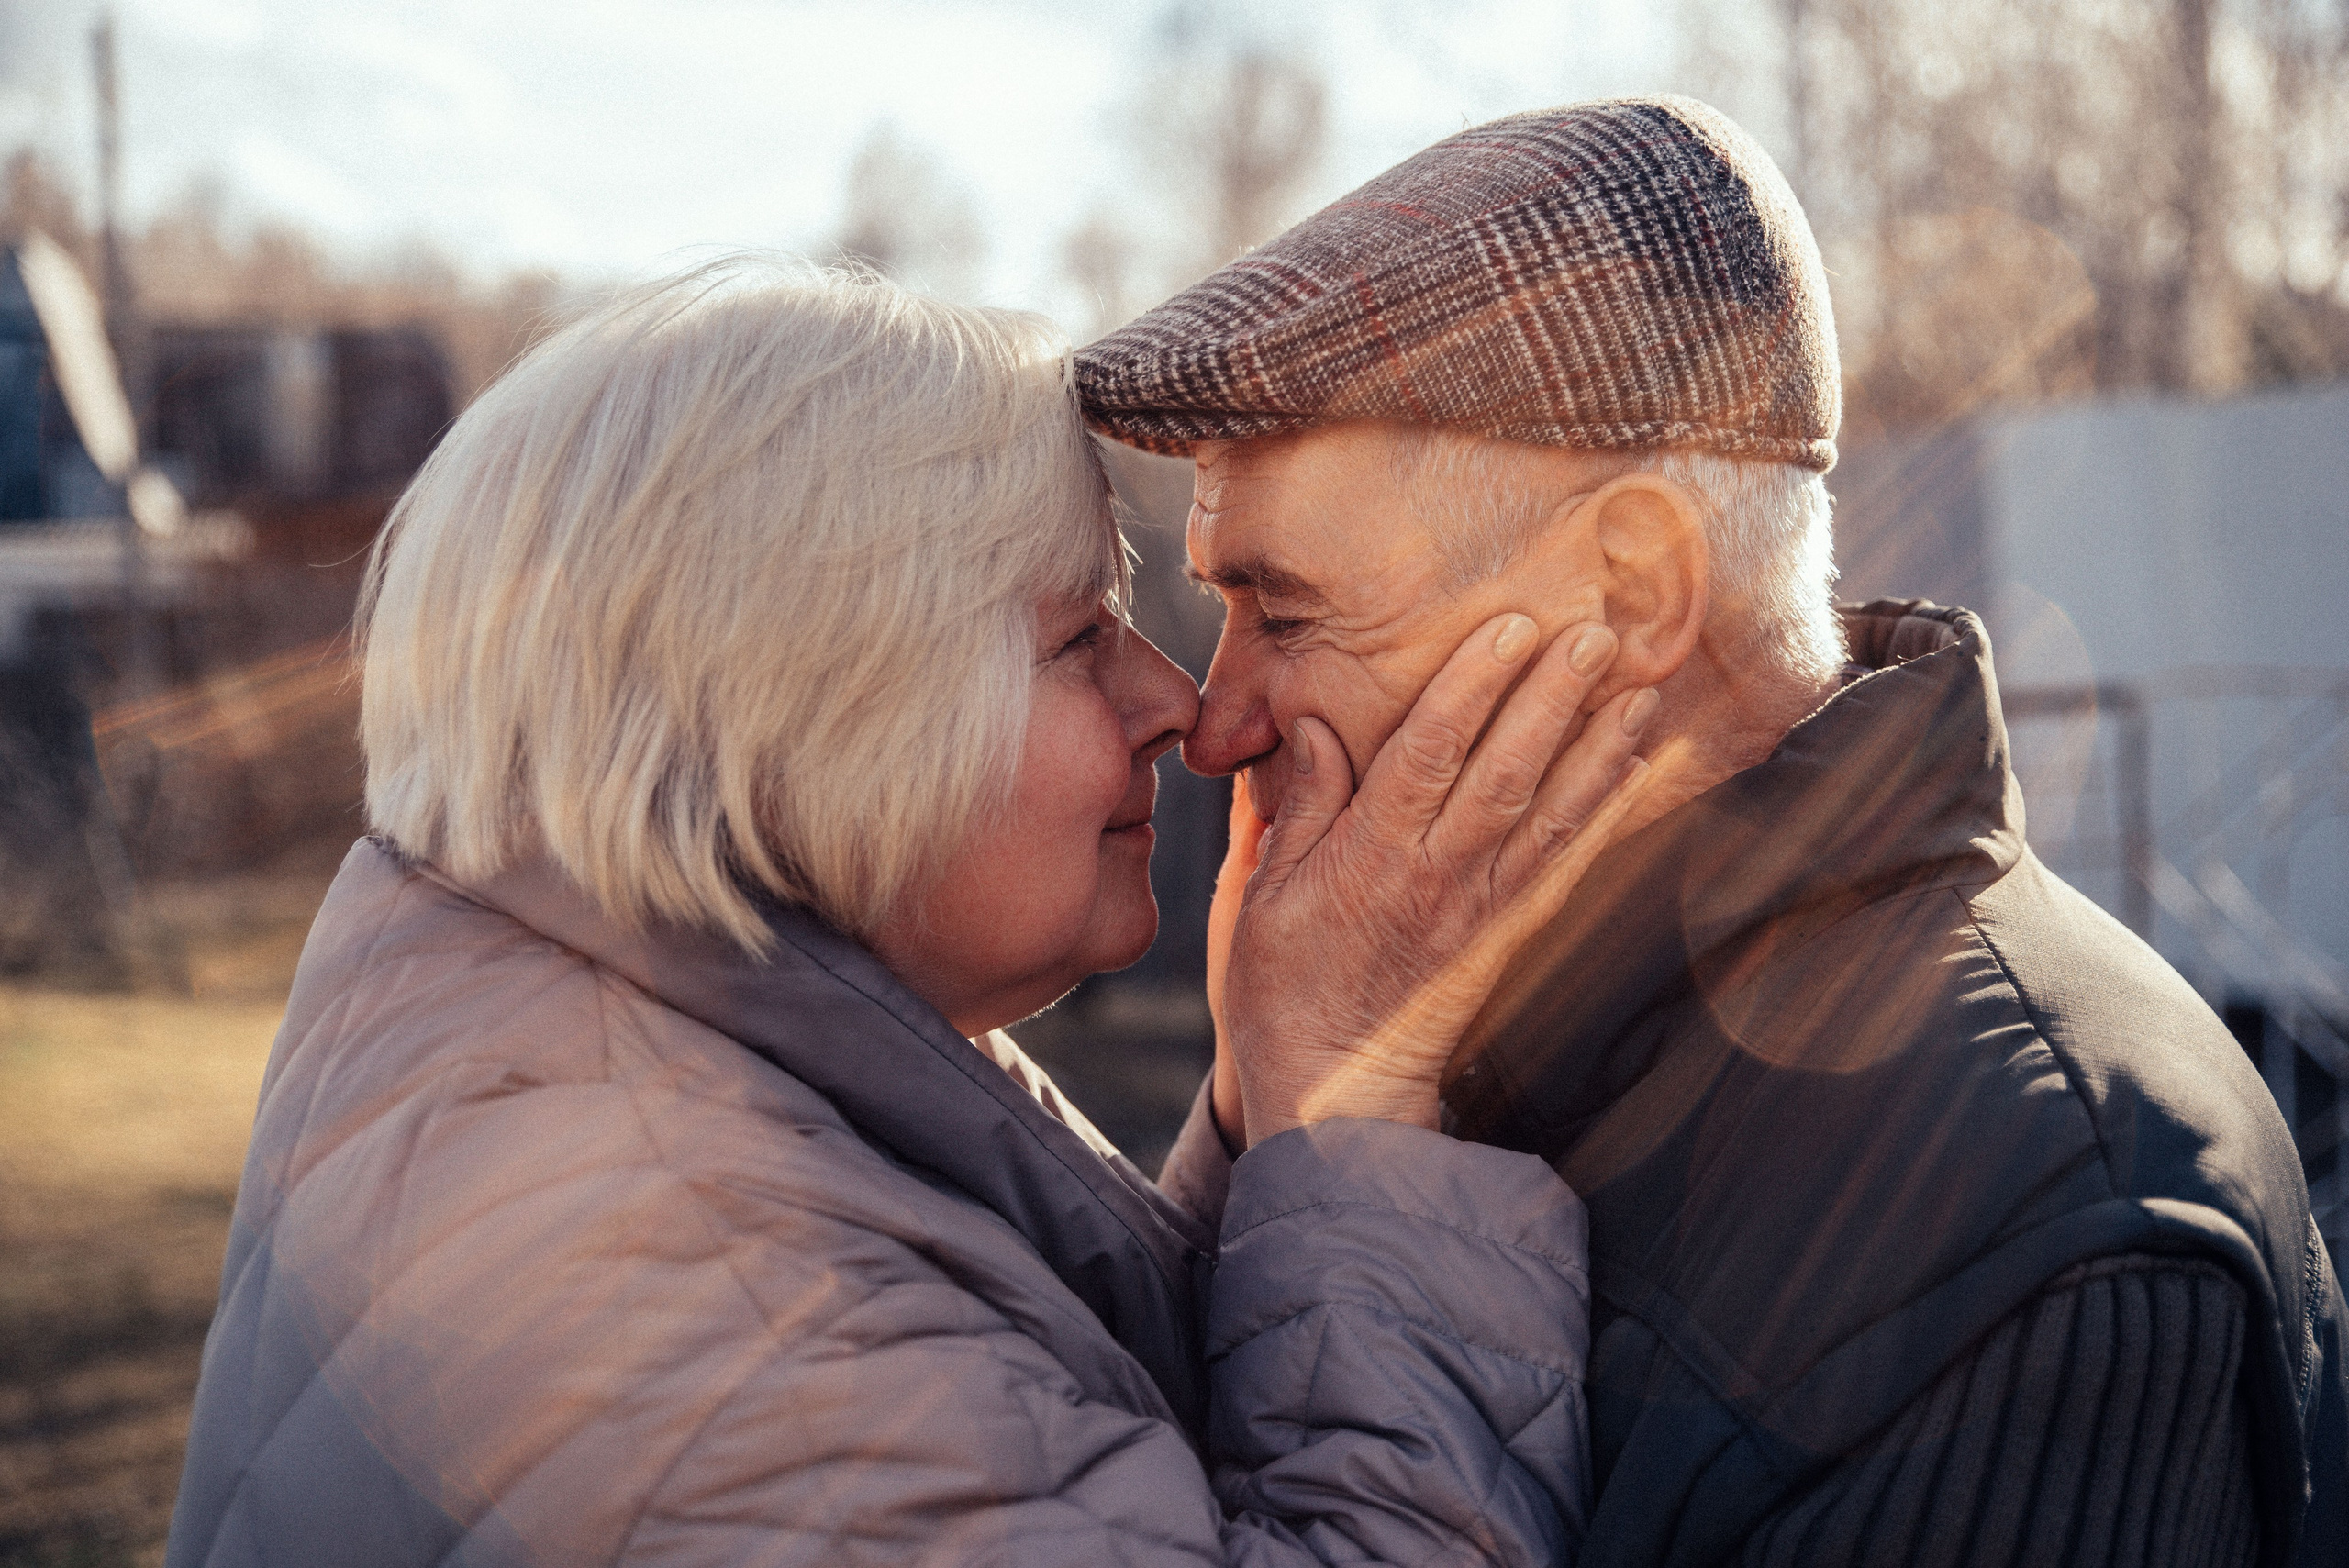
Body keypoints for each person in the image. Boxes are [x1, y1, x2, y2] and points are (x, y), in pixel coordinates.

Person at [162, 260, 1658, 1566]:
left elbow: (1077, 1434)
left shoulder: (643, 1074)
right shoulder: (707, 1320)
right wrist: (1365, 1116)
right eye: (1079, 637)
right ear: (815, 713)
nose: (1179, 706)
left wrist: (1283, 1089)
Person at [1079, 96, 2348, 1565]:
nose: (1214, 718)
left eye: (1284, 610)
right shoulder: (1468, 1016)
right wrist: (1272, 1113)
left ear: (1630, 593)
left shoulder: (2049, 1224)